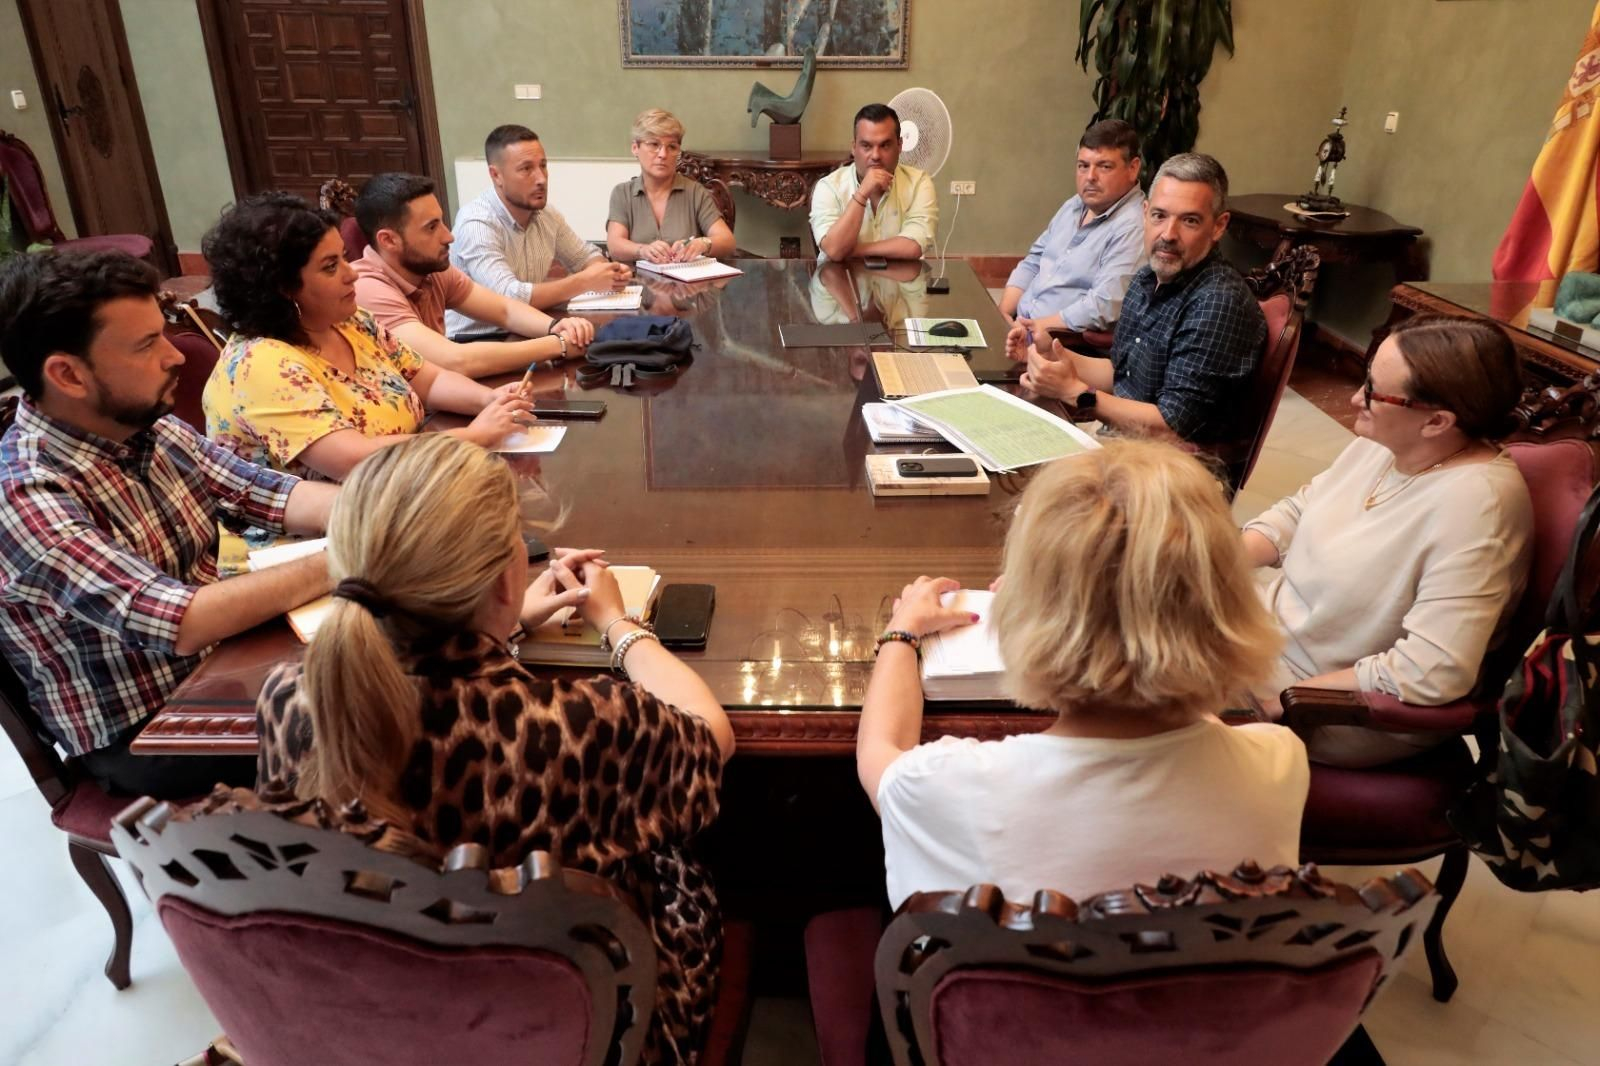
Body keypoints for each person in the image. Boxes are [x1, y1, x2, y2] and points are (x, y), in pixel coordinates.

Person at [254, 434, 734, 1064]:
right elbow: (709, 734)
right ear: (507, 579)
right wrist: (617, 623)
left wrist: (502, 624)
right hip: (578, 1021)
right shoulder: (580, 723)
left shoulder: (291, 695)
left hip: (380, 1011)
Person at [857, 439, 1307, 908]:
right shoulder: (1280, 761)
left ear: (1033, 616)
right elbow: (1193, 703)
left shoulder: (950, 785)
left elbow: (879, 751)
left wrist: (902, 631)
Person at [0, 249, 336, 797]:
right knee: (387, 710)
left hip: (223, 660)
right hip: (146, 729)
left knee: (412, 651)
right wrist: (352, 551)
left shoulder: (149, 430)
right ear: (67, 374)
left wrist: (390, 507)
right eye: (146, 344)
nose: (175, 356)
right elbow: (179, 623)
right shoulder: (24, 491)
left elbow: (277, 494)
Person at [1243, 314, 1533, 767]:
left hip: (1328, 706)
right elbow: (1300, 511)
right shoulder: (1388, 439)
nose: (1357, 398)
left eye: (1375, 392)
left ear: (1437, 421)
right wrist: (1216, 561)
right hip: (1263, 644)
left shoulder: (1477, 507)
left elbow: (1431, 671)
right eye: (1365, 378)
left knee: (1132, 720)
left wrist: (1286, 694)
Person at [201, 192, 532, 571]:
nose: (351, 272)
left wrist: (488, 401)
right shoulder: (261, 364)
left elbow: (426, 378)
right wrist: (476, 436)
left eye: (343, 256)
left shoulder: (349, 320)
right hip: (305, 556)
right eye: (330, 266)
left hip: (394, 513)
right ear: (282, 288)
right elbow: (355, 460)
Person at [1012, 152, 1265, 446]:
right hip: (1120, 439)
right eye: (1159, 216)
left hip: (1167, 470)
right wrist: (1048, 355)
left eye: (1190, 221)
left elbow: (1172, 428)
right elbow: (1121, 374)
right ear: (1145, 213)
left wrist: (1074, 392)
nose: (1168, 234)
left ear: (1219, 226)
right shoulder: (1147, 278)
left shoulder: (1217, 302)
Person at [351, 173, 594, 377]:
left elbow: (505, 310)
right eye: (431, 227)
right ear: (388, 240)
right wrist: (558, 345)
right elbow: (454, 361)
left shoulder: (430, 269)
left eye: (442, 222)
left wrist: (556, 326)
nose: (448, 236)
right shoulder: (366, 288)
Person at [447, 124, 633, 337]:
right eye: (526, 169)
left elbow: (585, 256)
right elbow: (509, 297)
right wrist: (586, 281)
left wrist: (608, 274)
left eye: (543, 166)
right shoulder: (477, 223)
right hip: (478, 340)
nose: (541, 179)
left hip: (529, 328)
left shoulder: (546, 214)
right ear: (496, 175)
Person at [1001, 119, 1146, 341]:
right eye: (1083, 166)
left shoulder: (1134, 226)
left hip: (1063, 348)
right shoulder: (1074, 205)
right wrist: (1002, 316)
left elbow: (1103, 306)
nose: (1090, 177)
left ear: (1133, 168)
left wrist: (1032, 328)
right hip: (1021, 333)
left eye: (1104, 166)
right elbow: (1034, 261)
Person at [810, 104, 938, 264]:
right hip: (839, 282)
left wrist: (853, 250)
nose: (876, 155)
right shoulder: (828, 187)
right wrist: (862, 194)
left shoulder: (919, 183)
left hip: (899, 284)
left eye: (885, 145)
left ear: (899, 146)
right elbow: (835, 250)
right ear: (853, 147)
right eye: (866, 146)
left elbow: (914, 245)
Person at [607, 109, 736, 265]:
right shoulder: (622, 193)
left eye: (672, 147)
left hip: (688, 286)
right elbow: (614, 245)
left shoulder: (695, 192)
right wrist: (643, 250)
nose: (663, 154)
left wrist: (703, 244)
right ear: (635, 148)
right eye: (654, 144)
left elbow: (727, 242)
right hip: (638, 283)